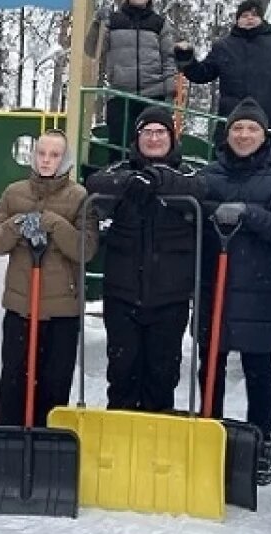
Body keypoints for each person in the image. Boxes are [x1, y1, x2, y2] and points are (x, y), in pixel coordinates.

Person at [197, 97, 271, 487]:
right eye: (237, 128)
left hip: (257, 285)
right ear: (228, 134)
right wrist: (214, 210)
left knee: (259, 370)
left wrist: (247, 213)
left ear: (263, 134)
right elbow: (197, 210)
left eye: (251, 128)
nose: (243, 134)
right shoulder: (210, 173)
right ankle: (210, 432)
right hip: (214, 284)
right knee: (211, 366)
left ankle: (260, 443)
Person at [86, 106, 206, 412]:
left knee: (161, 376)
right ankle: (119, 439)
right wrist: (132, 182)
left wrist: (157, 179)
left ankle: (157, 442)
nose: (154, 139)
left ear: (171, 137)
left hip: (170, 297)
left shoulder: (187, 172)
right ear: (137, 138)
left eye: (160, 132)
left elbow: (201, 188)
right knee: (123, 373)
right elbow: (96, 183)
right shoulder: (120, 170)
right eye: (147, 132)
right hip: (123, 295)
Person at [0, 130, 96, 426]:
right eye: (42, 153)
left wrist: (54, 224)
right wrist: (17, 225)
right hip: (22, 307)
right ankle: (9, 440)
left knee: (54, 381)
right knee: (14, 379)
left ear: (65, 160)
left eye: (55, 155)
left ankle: (47, 441)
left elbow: (85, 249)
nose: (47, 160)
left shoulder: (80, 197)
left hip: (62, 311)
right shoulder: (14, 193)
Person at [174, 0, 271, 144]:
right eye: (244, 15)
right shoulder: (224, 47)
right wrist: (186, 58)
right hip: (231, 121)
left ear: (262, 18)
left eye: (254, 15)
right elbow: (203, 73)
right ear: (237, 20)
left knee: (270, 165)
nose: (249, 18)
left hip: (270, 121)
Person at [85, 0, 178, 161]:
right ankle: (118, 182)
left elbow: (169, 58)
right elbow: (92, 50)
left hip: (153, 94)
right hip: (121, 93)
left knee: (153, 146)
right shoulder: (114, 21)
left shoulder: (159, 24)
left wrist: (169, 92)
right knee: (119, 146)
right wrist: (97, 23)